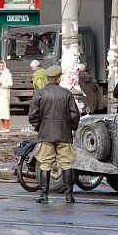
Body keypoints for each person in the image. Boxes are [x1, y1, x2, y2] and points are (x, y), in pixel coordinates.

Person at [29, 65, 80, 204]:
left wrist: (40, 127)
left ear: (46, 78)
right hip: (64, 134)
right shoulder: (66, 93)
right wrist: (71, 127)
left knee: (45, 164)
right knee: (66, 164)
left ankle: (43, 196)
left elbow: (32, 116)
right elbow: (75, 114)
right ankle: (69, 196)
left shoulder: (39, 93)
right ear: (59, 78)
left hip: (46, 135)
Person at [0, 61, 13, 133]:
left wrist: (2, 83)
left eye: (3, 66)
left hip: (4, 94)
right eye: (0, 66)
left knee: (5, 111)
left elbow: (10, 84)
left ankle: (7, 127)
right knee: (1, 111)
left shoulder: (8, 73)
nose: (2, 67)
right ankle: (3, 127)